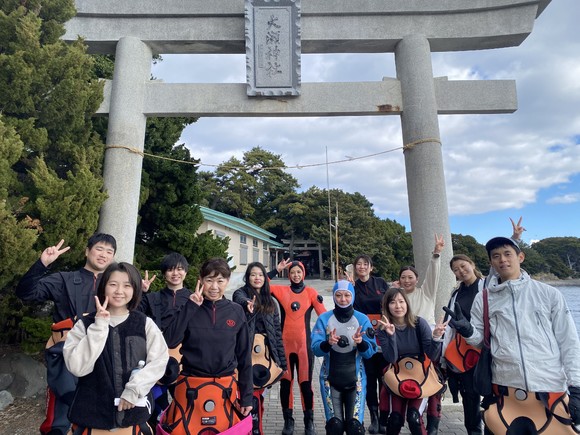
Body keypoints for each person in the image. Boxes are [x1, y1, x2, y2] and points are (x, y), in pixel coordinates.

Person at [447, 235, 580, 434]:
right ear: (491, 262)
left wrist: (576, 387)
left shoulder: (549, 294)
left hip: (549, 387)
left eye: (508, 254)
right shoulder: (483, 299)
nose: (503, 260)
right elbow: (478, 342)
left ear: (521, 257)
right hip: (503, 389)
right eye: (496, 256)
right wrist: (466, 330)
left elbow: (568, 341)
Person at [15, 233, 117, 435]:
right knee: (60, 418)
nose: (104, 255)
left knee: (98, 418)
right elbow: (26, 293)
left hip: (103, 358)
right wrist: (42, 264)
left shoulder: (115, 286)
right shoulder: (65, 279)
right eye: (99, 249)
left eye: (109, 252)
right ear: (87, 251)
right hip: (66, 356)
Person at [63, 262, 168, 434]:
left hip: (133, 416)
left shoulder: (144, 323)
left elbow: (159, 361)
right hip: (91, 416)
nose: (119, 291)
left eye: (127, 285)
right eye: (113, 284)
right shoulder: (85, 324)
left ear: (135, 289)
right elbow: (77, 367)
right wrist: (99, 326)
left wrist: (134, 390)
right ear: (103, 287)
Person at [161, 258, 253, 434]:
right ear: (201, 280)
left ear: (227, 281)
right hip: (191, 387)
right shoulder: (188, 306)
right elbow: (170, 341)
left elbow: (244, 358)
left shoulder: (236, 311)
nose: (214, 287)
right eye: (209, 280)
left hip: (225, 389)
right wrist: (190, 307)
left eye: (220, 281)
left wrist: (247, 397)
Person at [390, 234, 445, 434]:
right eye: (403, 277)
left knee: (431, 390)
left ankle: (432, 426)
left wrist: (436, 254)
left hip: (428, 348)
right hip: (405, 354)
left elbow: (433, 275)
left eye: (410, 277)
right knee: (405, 391)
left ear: (417, 279)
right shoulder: (397, 299)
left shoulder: (426, 293)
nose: (406, 280)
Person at [377, 288, 446, 435]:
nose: (398, 306)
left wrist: (436, 337)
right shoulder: (383, 329)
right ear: (386, 306)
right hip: (398, 375)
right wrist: (391, 335)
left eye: (401, 301)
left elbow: (432, 355)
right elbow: (391, 358)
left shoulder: (419, 323)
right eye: (393, 302)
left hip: (421, 375)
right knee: (395, 419)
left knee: (413, 417)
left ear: (407, 304)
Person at [311, 280, 376, 435]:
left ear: (352, 296)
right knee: (335, 426)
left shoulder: (362, 319)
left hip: (356, 380)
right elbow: (315, 349)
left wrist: (360, 343)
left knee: (355, 427)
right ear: (333, 297)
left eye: (347, 295)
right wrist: (327, 343)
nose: (343, 299)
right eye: (338, 295)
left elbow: (370, 352)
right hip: (330, 379)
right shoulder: (324, 319)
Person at [270, 260, 327, 435]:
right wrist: (275, 270)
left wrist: (326, 336)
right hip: (284, 347)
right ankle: (288, 421)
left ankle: (309, 421)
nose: (296, 275)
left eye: (298, 272)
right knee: (286, 385)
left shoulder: (311, 292)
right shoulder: (282, 291)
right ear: (288, 275)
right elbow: (260, 283)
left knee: (306, 385)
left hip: (304, 348)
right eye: (292, 272)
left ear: (303, 273)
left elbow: (324, 316)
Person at [233, 262, 288, 435]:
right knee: (249, 396)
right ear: (247, 278)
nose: (257, 278)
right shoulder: (241, 294)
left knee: (258, 396)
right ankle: (251, 429)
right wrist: (248, 304)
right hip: (246, 355)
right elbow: (239, 299)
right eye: (253, 275)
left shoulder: (271, 302)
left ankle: (256, 428)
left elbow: (277, 335)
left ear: (265, 278)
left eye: (260, 275)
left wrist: (282, 363)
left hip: (265, 356)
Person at [138, 252, 191, 427]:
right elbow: (132, 316)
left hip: (185, 363)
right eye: (170, 270)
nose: (175, 274)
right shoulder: (151, 298)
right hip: (155, 362)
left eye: (180, 269)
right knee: (151, 408)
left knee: (184, 409)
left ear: (186, 272)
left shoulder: (194, 299)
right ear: (164, 273)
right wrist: (140, 292)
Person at [442, 254, 485, 435]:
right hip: (465, 349)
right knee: (469, 395)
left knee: (492, 394)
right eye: (456, 269)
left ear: (471, 264)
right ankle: (473, 431)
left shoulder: (487, 285)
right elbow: (448, 323)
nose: (460, 270)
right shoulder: (456, 293)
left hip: (487, 347)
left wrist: (514, 239)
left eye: (463, 265)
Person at [348, 255, 389, 433]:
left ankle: (384, 417)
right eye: (359, 264)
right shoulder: (353, 286)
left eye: (365, 264)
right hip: (365, 334)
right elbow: (348, 307)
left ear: (371, 267)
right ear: (355, 268)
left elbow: (390, 304)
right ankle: (374, 417)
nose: (362, 267)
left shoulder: (381, 283)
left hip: (384, 333)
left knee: (385, 378)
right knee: (370, 378)